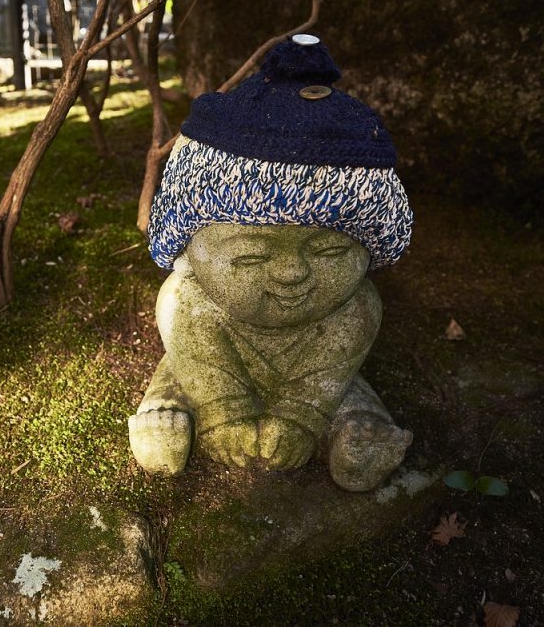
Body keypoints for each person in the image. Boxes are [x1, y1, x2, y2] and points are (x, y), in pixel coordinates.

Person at [128, 35, 414, 492]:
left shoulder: (353, 306)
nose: (291, 273)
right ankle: (175, 409)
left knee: (341, 376)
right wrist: (222, 413)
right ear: (188, 253)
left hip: (317, 365)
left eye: (330, 252)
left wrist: (301, 416)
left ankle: (353, 432)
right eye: (251, 254)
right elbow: (192, 338)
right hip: (211, 355)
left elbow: (330, 367)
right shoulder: (189, 295)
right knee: (183, 347)